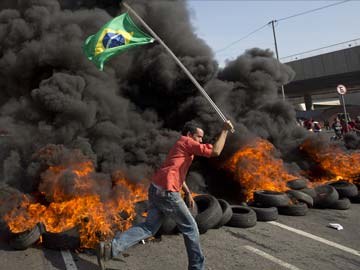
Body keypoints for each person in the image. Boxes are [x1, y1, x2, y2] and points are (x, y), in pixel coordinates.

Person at [95, 120, 234, 270]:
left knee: (149, 228)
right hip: (167, 192)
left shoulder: (180, 147)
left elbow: (175, 171)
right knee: (191, 227)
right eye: (199, 137)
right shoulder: (186, 141)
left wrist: (187, 192)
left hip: (156, 189)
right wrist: (225, 130)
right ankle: (197, 267)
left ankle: (110, 248)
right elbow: (215, 152)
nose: (201, 140)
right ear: (189, 135)